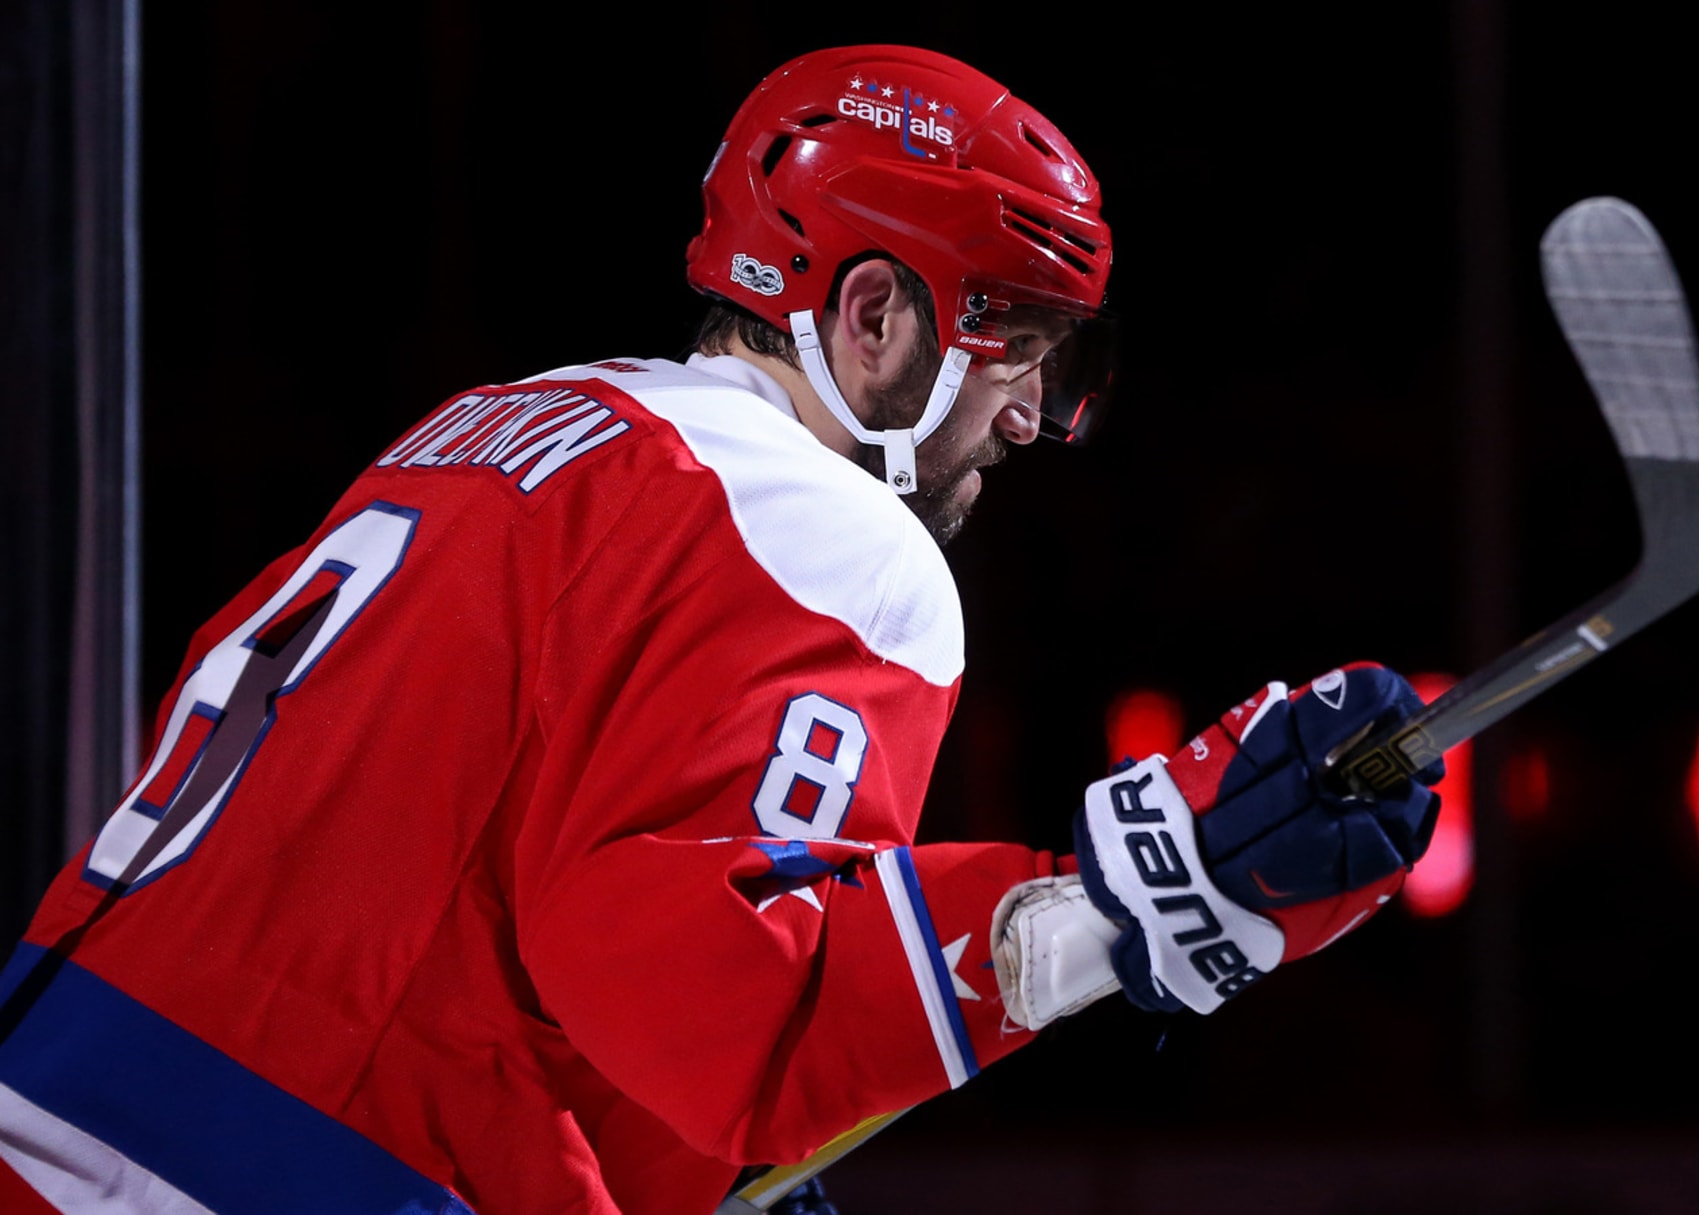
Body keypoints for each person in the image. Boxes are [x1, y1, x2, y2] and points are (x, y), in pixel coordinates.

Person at [0, 45, 1442, 1214]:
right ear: (873, 310)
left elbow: (487, 915)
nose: (1030, 418)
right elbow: (720, 1016)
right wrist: (1127, 906)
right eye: (1021, 342)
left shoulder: (492, 429)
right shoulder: (821, 530)